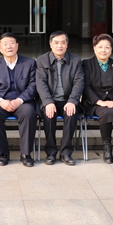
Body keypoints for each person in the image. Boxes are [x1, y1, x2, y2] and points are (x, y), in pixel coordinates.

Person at [0, 33, 37, 167]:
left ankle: (25, 154)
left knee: (29, 113)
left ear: (17, 46)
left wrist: (19, 100)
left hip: (23, 101)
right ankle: (3, 153)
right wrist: (1, 101)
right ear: (0, 48)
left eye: (12, 43)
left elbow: (33, 86)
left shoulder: (30, 63)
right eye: (5, 44)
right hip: (1, 101)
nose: (9, 46)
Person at [36, 30, 84, 165]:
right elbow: (40, 83)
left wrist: (73, 101)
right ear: (50, 44)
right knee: (49, 114)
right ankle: (51, 153)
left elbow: (79, 82)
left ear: (67, 44)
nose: (59, 46)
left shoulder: (75, 60)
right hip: (50, 100)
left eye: (63, 43)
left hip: (67, 100)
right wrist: (47, 102)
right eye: (56, 43)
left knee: (71, 113)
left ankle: (66, 152)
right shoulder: (42, 60)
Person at [82, 33, 113, 165]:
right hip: (95, 102)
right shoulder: (87, 64)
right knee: (106, 112)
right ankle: (107, 148)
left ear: (111, 49)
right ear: (94, 48)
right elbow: (86, 87)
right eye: (100, 47)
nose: (103, 50)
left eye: (107, 47)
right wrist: (100, 102)